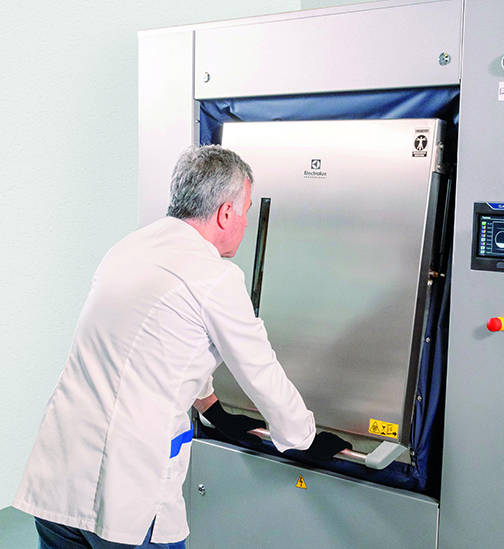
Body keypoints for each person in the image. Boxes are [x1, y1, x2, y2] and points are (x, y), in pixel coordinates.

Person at [13, 145, 351, 549]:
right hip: (124, 499)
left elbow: (162, 344)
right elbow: (261, 373)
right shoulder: (215, 276)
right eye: (245, 211)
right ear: (225, 213)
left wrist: (211, 407)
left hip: (58, 479)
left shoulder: (128, 248)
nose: (246, 222)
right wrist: (303, 438)